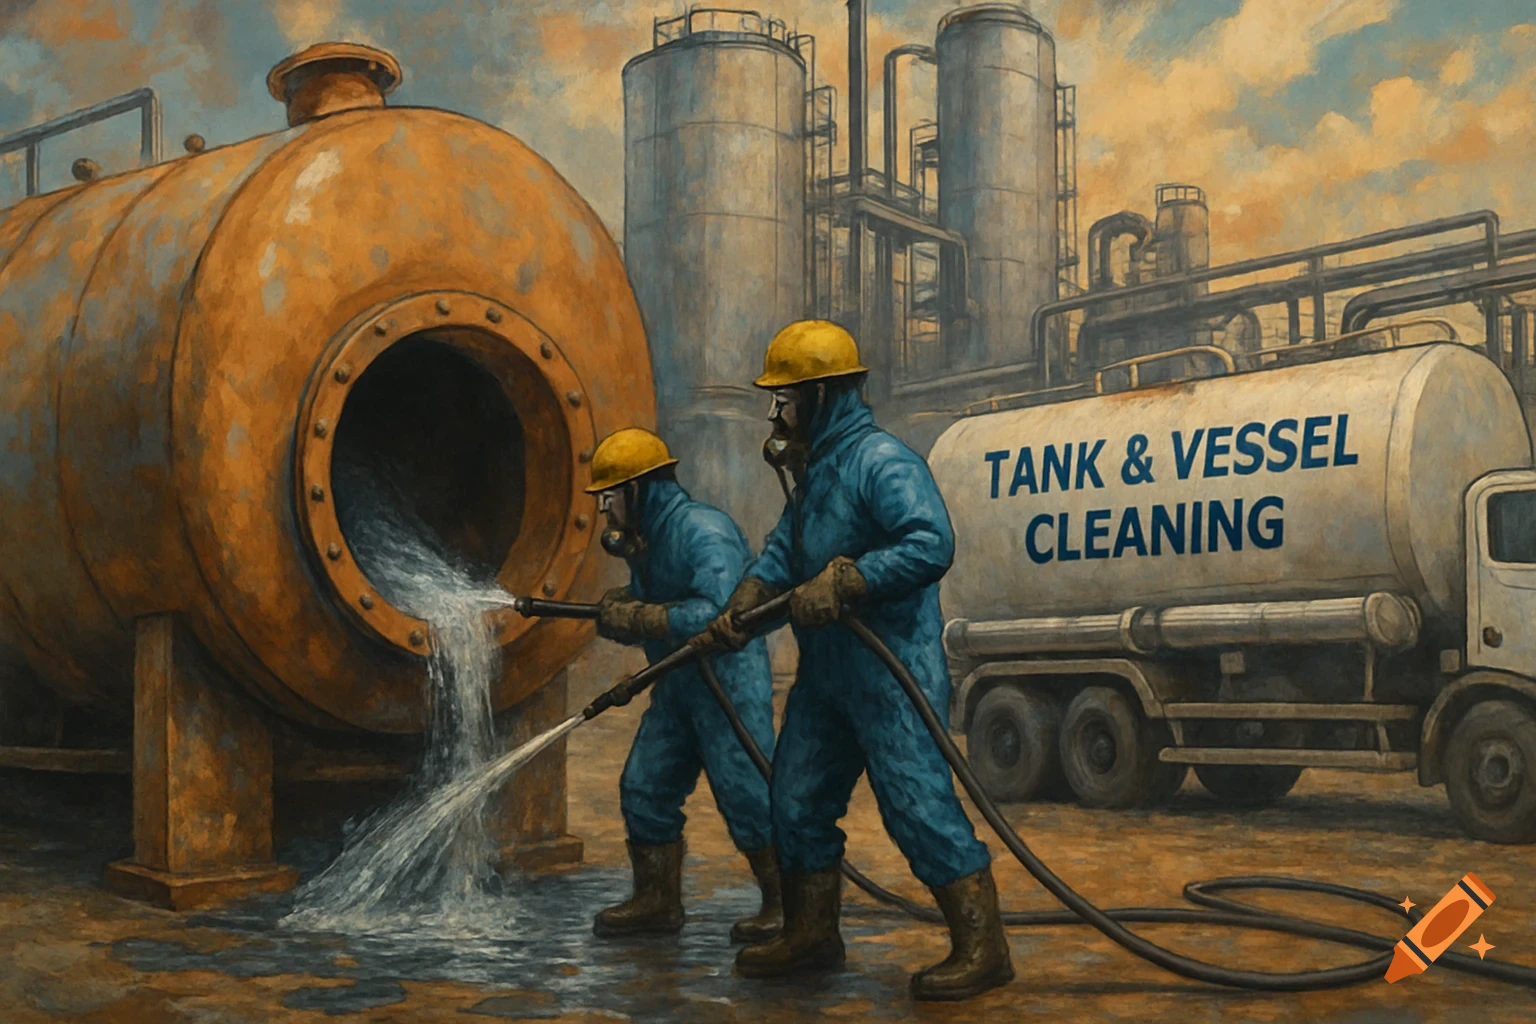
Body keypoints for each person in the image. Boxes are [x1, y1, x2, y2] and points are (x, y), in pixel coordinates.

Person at [698, 320, 1013, 1001]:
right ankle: (813, 932)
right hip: (826, 681)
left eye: (784, 399)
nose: (775, 413)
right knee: (797, 798)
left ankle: (983, 948)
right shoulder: (814, 477)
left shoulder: (881, 462)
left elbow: (931, 543)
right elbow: (787, 553)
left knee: (917, 807)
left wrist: (848, 581)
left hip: (890, 675)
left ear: (821, 395)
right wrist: (747, 601)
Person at [584, 427, 781, 943]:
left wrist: (640, 617)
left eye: (609, 498)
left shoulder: (702, 530)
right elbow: (666, 603)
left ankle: (787, 907)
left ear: (638, 491)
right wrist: (622, 609)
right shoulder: (646, 539)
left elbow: (715, 614)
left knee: (749, 797)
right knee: (645, 785)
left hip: (727, 688)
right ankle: (657, 901)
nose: (605, 512)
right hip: (676, 688)